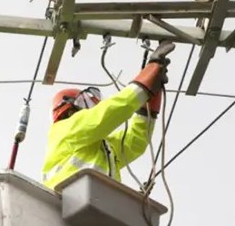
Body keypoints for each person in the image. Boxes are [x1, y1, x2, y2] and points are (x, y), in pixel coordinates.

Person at [41, 40, 176, 190]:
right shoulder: (65, 130)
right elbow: (108, 112)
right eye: (86, 101)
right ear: (68, 109)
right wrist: (145, 84)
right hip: (65, 202)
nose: (93, 106)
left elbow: (135, 141)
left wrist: (150, 99)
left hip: (98, 205)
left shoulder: (103, 148)